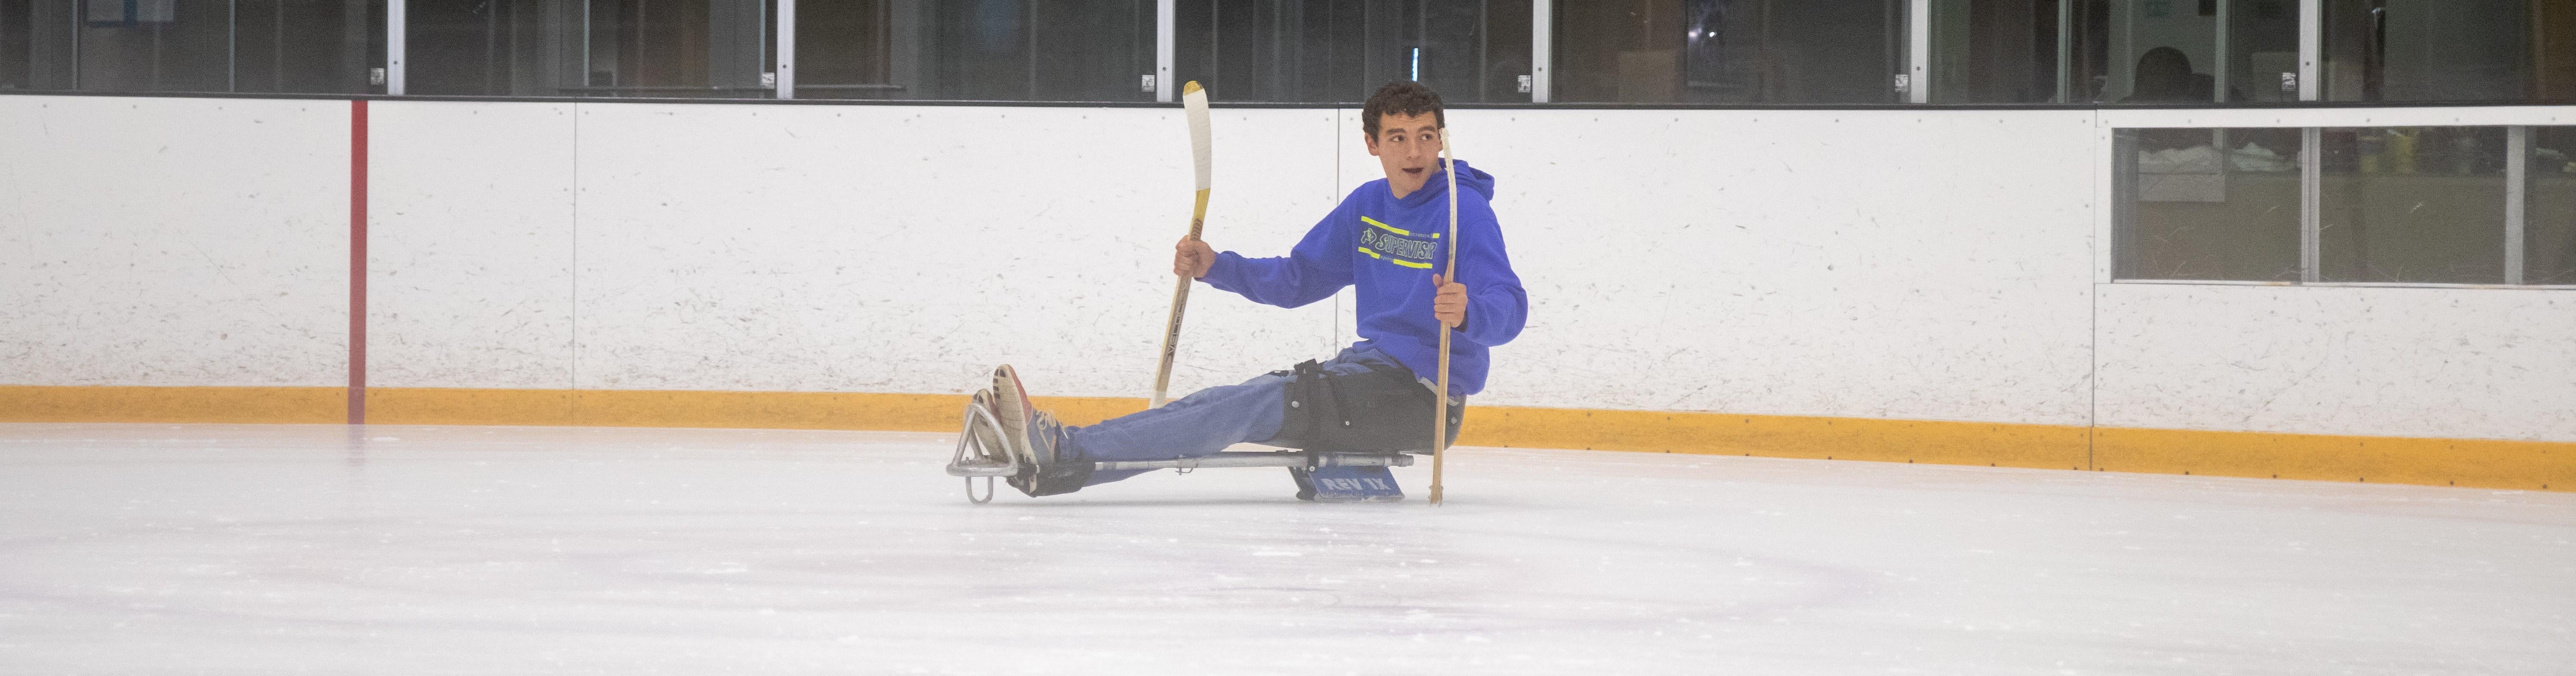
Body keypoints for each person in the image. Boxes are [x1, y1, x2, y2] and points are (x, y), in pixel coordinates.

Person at [966, 80, 1528, 498]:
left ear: (1442, 140)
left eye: (1426, 137)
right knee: (1227, 400)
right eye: (1398, 138)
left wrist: (1470, 313)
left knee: (1252, 404)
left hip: (1421, 401)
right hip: (1366, 374)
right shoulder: (1367, 206)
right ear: (1371, 144)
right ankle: (1063, 452)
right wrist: (1217, 266)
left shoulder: (1464, 211)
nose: (1414, 153)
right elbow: (1298, 278)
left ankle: (1065, 450)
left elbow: (1511, 307)